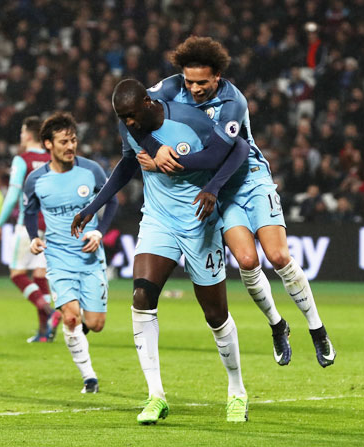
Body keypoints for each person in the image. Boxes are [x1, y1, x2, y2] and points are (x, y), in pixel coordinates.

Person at [135, 36, 336, 368]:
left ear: (217, 76)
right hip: (219, 189)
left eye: (202, 82)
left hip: (249, 178)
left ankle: (317, 328)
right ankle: (277, 324)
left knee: (278, 256)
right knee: (245, 260)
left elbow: (219, 153)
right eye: (190, 81)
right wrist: (155, 148)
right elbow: (131, 114)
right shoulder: (169, 88)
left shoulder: (232, 101)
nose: (195, 88)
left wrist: (165, 162)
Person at [72, 79, 252, 424]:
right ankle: (155, 395)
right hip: (158, 221)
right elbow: (127, 165)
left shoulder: (188, 120)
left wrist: (213, 186)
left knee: (215, 315)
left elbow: (239, 149)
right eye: (121, 118)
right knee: (141, 296)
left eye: (130, 115)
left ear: (147, 102)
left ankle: (237, 391)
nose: (128, 124)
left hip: (200, 223)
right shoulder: (131, 125)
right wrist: (94, 206)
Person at [23, 112, 118, 394]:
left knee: (95, 324)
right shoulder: (36, 180)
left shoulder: (91, 171)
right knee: (71, 317)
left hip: (90, 258)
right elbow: (30, 212)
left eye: (73, 140)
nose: (70, 146)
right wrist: (33, 238)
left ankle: (74, 334)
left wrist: (99, 230)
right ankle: (89, 377)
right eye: (64, 141)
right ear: (48, 144)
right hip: (58, 258)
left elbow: (111, 202)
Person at [0, 116, 61, 343]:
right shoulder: (52, 159)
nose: (20, 137)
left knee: (17, 274)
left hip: (29, 223)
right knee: (40, 276)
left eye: (22, 132)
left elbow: (12, 195)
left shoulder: (22, 160)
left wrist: (0, 223)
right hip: (51, 224)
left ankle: (51, 313)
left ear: (28, 135)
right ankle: (44, 333)